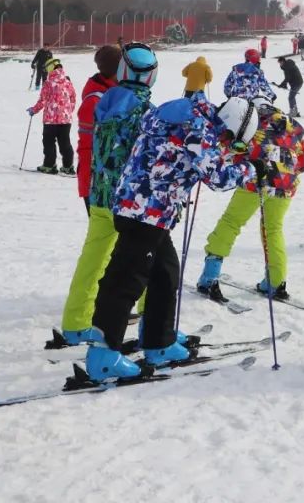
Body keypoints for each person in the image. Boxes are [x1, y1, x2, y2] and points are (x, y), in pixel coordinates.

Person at [83, 95, 258, 382]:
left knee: (165, 274)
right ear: (228, 125)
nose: (230, 147)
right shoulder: (198, 128)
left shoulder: (188, 117)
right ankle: (103, 355)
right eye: (234, 142)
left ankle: (158, 341)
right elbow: (216, 177)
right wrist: (249, 170)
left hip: (147, 208)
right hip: (144, 212)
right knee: (125, 281)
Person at [58, 44, 156, 345]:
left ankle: (76, 321)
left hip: (100, 190)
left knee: (95, 256)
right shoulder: (140, 107)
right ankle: (152, 322)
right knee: (147, 258)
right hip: (127, 200)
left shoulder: (102, 99)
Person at [198, 97, 304, 302]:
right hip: (285, 185)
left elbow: (232, 150)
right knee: (273, 229)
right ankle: (276, 281)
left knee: (231, 222)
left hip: (255, 181)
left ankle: (210, 276)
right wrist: (285, 171)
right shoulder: (292, 127)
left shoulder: (252, 124)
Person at [76, 46, 122, 209]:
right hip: (97, 183)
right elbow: (90, 147)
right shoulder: (94, 101)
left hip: (112, 178)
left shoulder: (116, 93)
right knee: (103, 233)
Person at [27, 57, 77, 175]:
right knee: (65, 142)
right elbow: (73, 98)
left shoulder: (48, 83)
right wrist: (68, 111)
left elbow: (42, 101)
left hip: (51, 120)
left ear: (50, 68)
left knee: (49, 142)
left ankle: (49, 165)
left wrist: (34, 110)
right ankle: (68, 166)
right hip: (66, 120)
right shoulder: (67, 81)